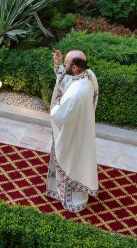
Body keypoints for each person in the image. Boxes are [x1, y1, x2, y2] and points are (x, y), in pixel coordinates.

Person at [45, 49, 99, 213]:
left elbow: (59, 115)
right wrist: (58, 64)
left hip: (72, 135)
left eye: (67, 64)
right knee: (79, 161)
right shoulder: (89, 76)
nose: (65, 66)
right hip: (81, 129)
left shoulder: (76, 93)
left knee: (70, 161)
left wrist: (55, 106)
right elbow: (66, 81)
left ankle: (71, 200)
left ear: (75, 67)